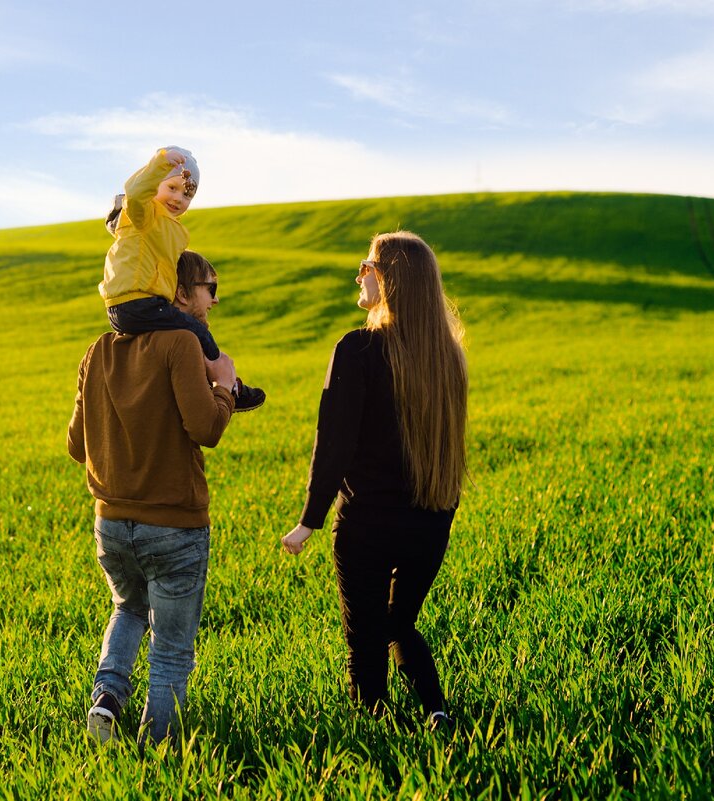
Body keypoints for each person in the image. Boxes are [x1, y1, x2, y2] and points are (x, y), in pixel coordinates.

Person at [280, 231, 467, 732]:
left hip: (365, 526)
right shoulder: (447, 356)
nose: (359, 274)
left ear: (390, 278)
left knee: (366, 640)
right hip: (430, 525)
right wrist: (440, 517)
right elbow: (451, 450)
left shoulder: (357, 348)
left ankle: (378, 741)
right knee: (399, 622)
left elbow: (334, 441)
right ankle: (436, 711)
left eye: (366, 265)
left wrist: (309, 521)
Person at [69, 250, 237, 746]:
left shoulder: (98, 350)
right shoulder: (182, 343)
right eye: (209, 287)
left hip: (111, 524)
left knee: (127, 608)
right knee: (171, 650)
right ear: (179, 292)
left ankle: (107, 699)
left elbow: (76, 446)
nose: (213, 300)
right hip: (175, 525)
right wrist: (225, 389)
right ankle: (157, 750)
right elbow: (206, 428)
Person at [100, 146, 265, 412]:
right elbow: (136, 192)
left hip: (132, 304)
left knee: (181, 336)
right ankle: (229, 386)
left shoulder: (166, 229)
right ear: (155, 186)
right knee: (198, 332)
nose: (179, 198)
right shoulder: (144, 216)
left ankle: (223, 385)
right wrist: (160, 163)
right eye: (172, 187)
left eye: (187, 193)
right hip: (138, 302)